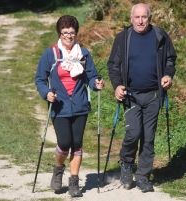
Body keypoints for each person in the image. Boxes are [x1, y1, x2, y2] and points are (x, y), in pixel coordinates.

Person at [107, 3, 177, 193]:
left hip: (154, 94)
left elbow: (170, 59)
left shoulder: (160, 36)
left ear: (150, 18)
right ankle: (127, 164)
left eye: (144, 17)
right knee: (133, 133)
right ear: (131, 19)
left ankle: (143, 177)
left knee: (148, 137)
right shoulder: (123, 38)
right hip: (131, 96)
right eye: (137, 17)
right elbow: (113, 64)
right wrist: (117, 86)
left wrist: (168, 76)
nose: (140, 21)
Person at [35, 15, 104, 197]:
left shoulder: (84, 54)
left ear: (76, 33)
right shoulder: (51, 54)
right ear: (60, 33)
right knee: (64, 142)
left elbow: (91, 77)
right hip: (59, 106)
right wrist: (46, 93)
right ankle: (58, 170)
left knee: (77, 143)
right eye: (65, 32)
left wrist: (96, 84)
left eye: (72, 33)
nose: (68, 36)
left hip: (80, 106)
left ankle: (74, 181)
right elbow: (40, 79)